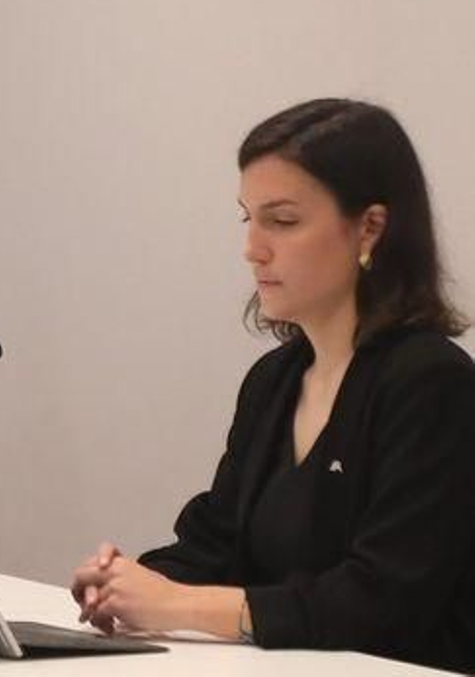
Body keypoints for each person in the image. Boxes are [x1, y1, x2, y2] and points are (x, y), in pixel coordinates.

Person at [70, 98, 475, 671]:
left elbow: (384, 602)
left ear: (370, 227)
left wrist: (182, 605)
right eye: (248, 218)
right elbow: (215, 542)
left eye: (282, 221)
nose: (252, 249)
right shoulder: (275, 380)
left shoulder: (432, 384)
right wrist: (126, 582)